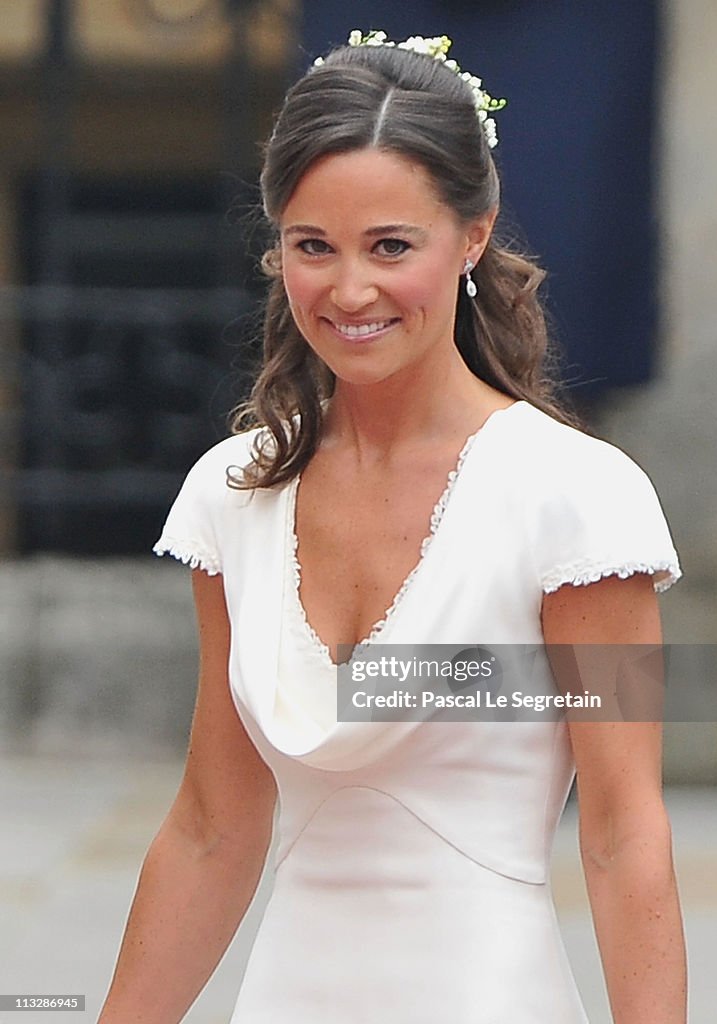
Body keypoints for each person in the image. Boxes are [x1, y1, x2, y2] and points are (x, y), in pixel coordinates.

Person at [98, 31, 687, 1024]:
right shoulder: (229, 496)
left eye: (390, 245)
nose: (349, 290)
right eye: (311, 245)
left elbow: (623, 830)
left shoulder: (582, 499)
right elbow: (210, 825)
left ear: (472, 234)